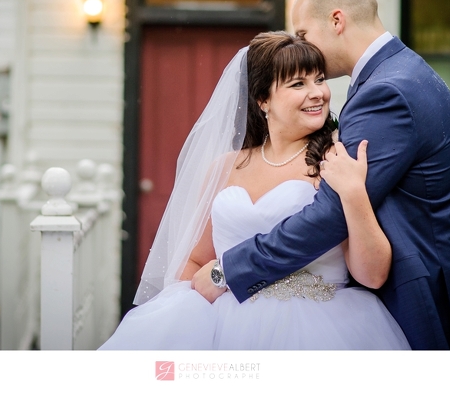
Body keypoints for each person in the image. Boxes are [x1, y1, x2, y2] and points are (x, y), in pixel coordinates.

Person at [193, 0, 450, 350]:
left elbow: (330, 216)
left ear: (336, 21)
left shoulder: (386, 92)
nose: (303, 47)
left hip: (418, 296)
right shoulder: (403, 71)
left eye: (303, 34)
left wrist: (228, 270)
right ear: (262, 101)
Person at [99, 32, 410, 349]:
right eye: (298, 84)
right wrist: (191, 321)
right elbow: (194, 262)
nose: (318, 93)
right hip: (227, 326)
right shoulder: (225, 167)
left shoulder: (334, 160)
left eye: (319, 79)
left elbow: (372, 275)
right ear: (263, 100)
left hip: (319, 330)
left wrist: (355, 191)